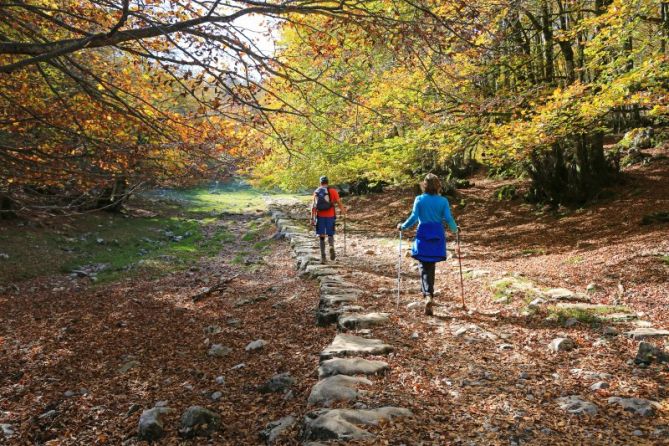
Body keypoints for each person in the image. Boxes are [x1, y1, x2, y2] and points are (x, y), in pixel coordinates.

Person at [397, 173, 458, 315]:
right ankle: (429, 293)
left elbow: (414, 217)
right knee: (431, 265)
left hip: (423, 233)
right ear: (438, 185)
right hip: (437, 233)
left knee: (424, 265)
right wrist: (455, 229)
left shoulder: (419, 199)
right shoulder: (443, 201)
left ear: (424, 185)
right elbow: (448, 218)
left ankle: (428, 294)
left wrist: (403, 227)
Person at [312, 176, 346, 263]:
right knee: (330, 233)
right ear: (328, 182)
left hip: (320, 216)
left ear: (320, 183)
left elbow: (314, 206)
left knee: (321, 236)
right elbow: (339, 202)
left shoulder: (316, 191)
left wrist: (312, 218)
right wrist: (343, 212)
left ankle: (323, 257)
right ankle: (331, 246)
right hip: (330, 215)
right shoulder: (333, 191)